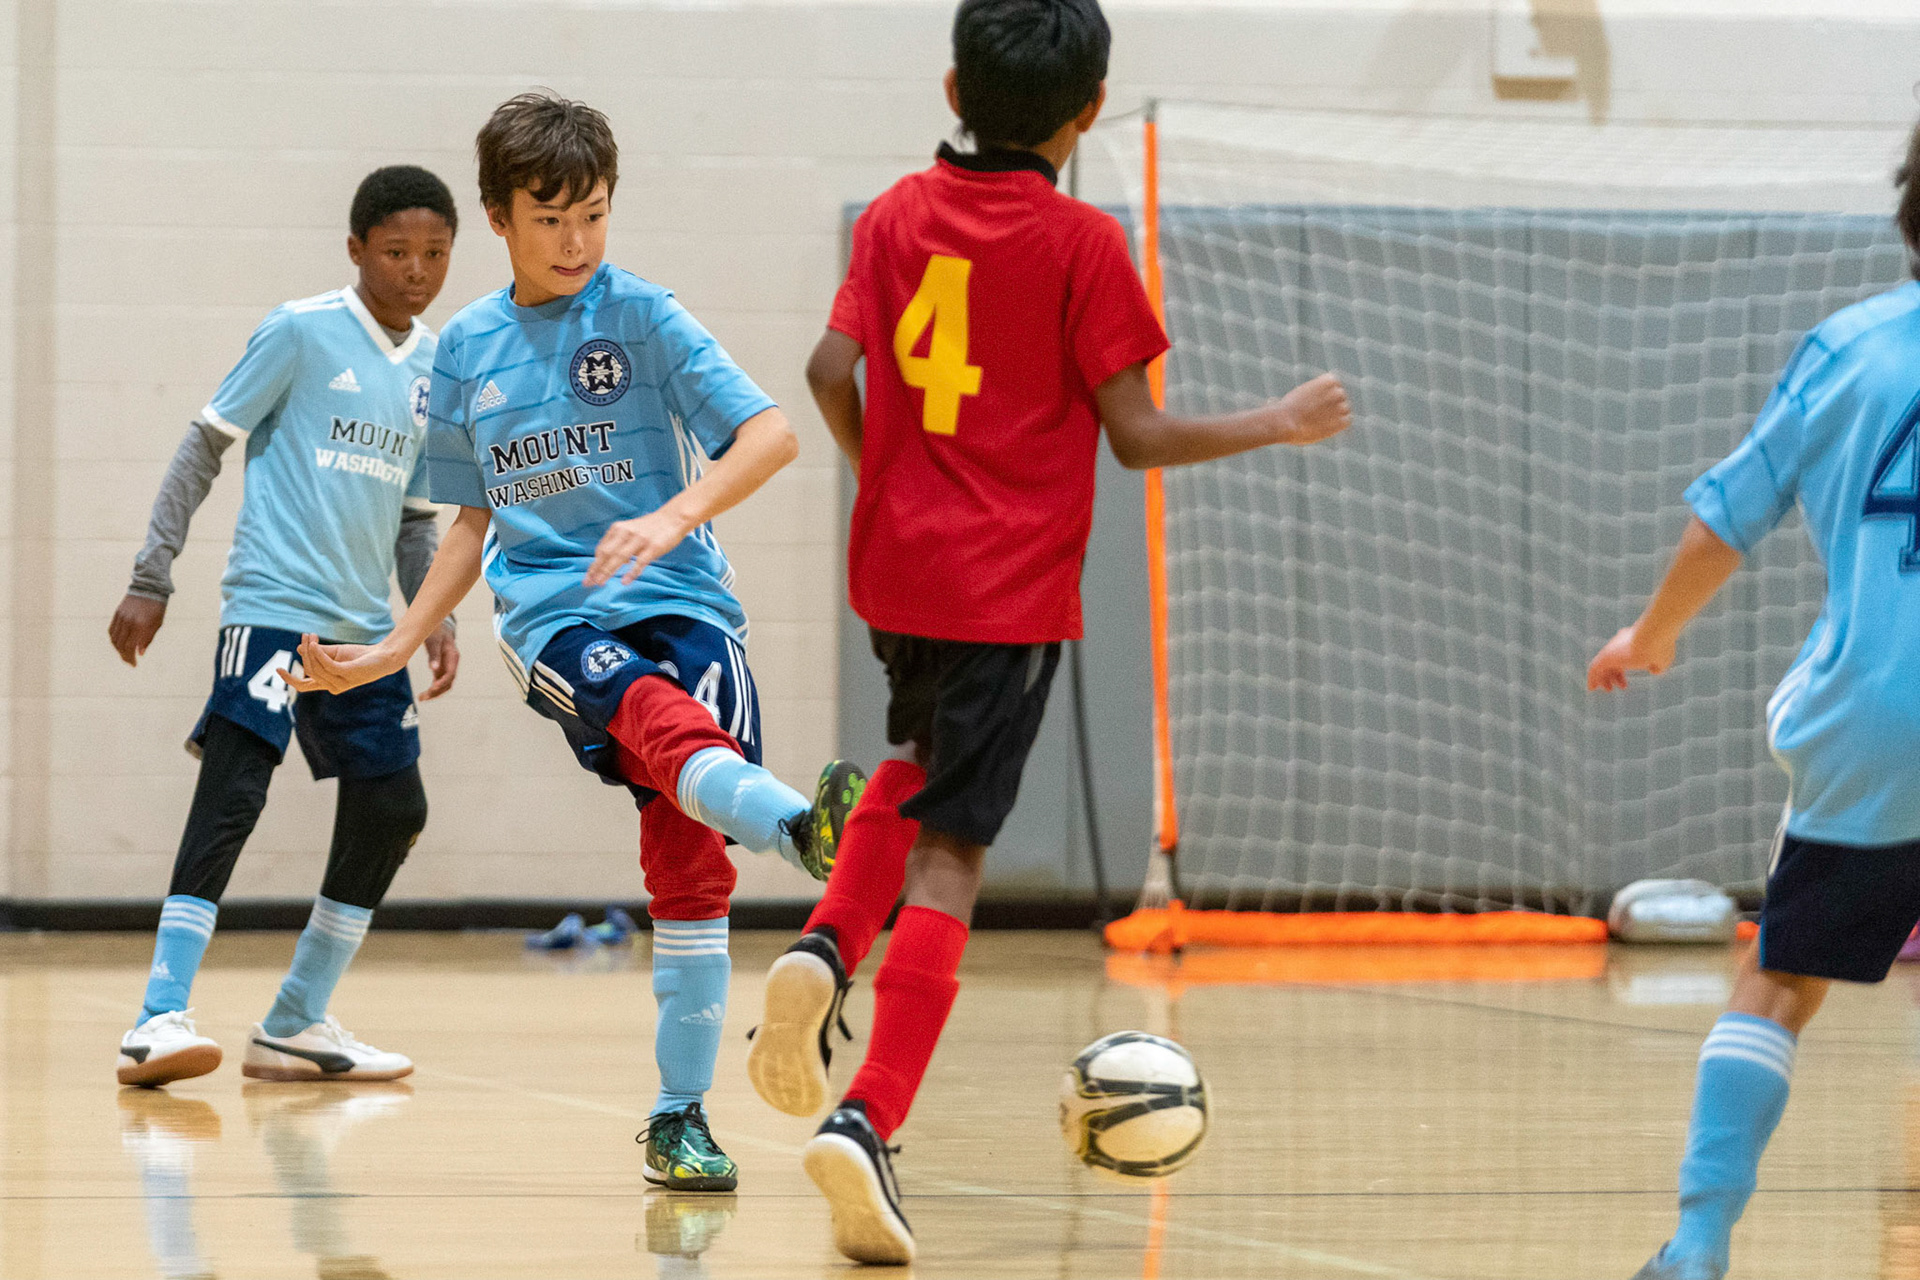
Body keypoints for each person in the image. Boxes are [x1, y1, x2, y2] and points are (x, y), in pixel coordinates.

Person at [745, 0, 1353, 1262]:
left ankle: (820, 943)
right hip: (1003, 589)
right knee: (956, 852)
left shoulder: (900, 212)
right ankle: (869, 1118)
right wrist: (1278, 422)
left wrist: (890, 472)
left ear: (953, 82)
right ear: (1090, 109)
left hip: (898, 568)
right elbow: (1136, 435)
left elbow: (822, 369)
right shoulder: (1082, 241)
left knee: (910, 767)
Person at [284, 92, 864, 1192]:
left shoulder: (644, 316)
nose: (577, 243)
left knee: (689, 863)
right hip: (555, 611)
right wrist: (397, 640)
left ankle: (678, 1118)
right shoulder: (465, 349)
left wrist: (672, 514)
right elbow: (469, 521)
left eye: (594, 215)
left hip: (686, 598)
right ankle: (803, 829)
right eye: (551, 221)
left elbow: (773, 433)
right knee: (649, 713)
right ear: (499, 218)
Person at [1589, 119, 1920, 1280]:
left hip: (1880, 720)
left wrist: (1653, 636)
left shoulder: (1850, 349)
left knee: (1779, 980)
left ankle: (1699, 1243)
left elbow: (1720, 522)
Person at [111, 166, 462, 1088]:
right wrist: (154, 575)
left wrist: (431, 618)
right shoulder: (301, 330)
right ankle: (157, 1018)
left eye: (434, 254)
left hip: (365, 637)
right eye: (396, 252)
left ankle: (296, 1022)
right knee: (233, 793)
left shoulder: (437, 364)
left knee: (395, 810)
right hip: (273, 612)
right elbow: (204, 445)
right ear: (356, 251)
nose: (416, 271)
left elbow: (419, 517)